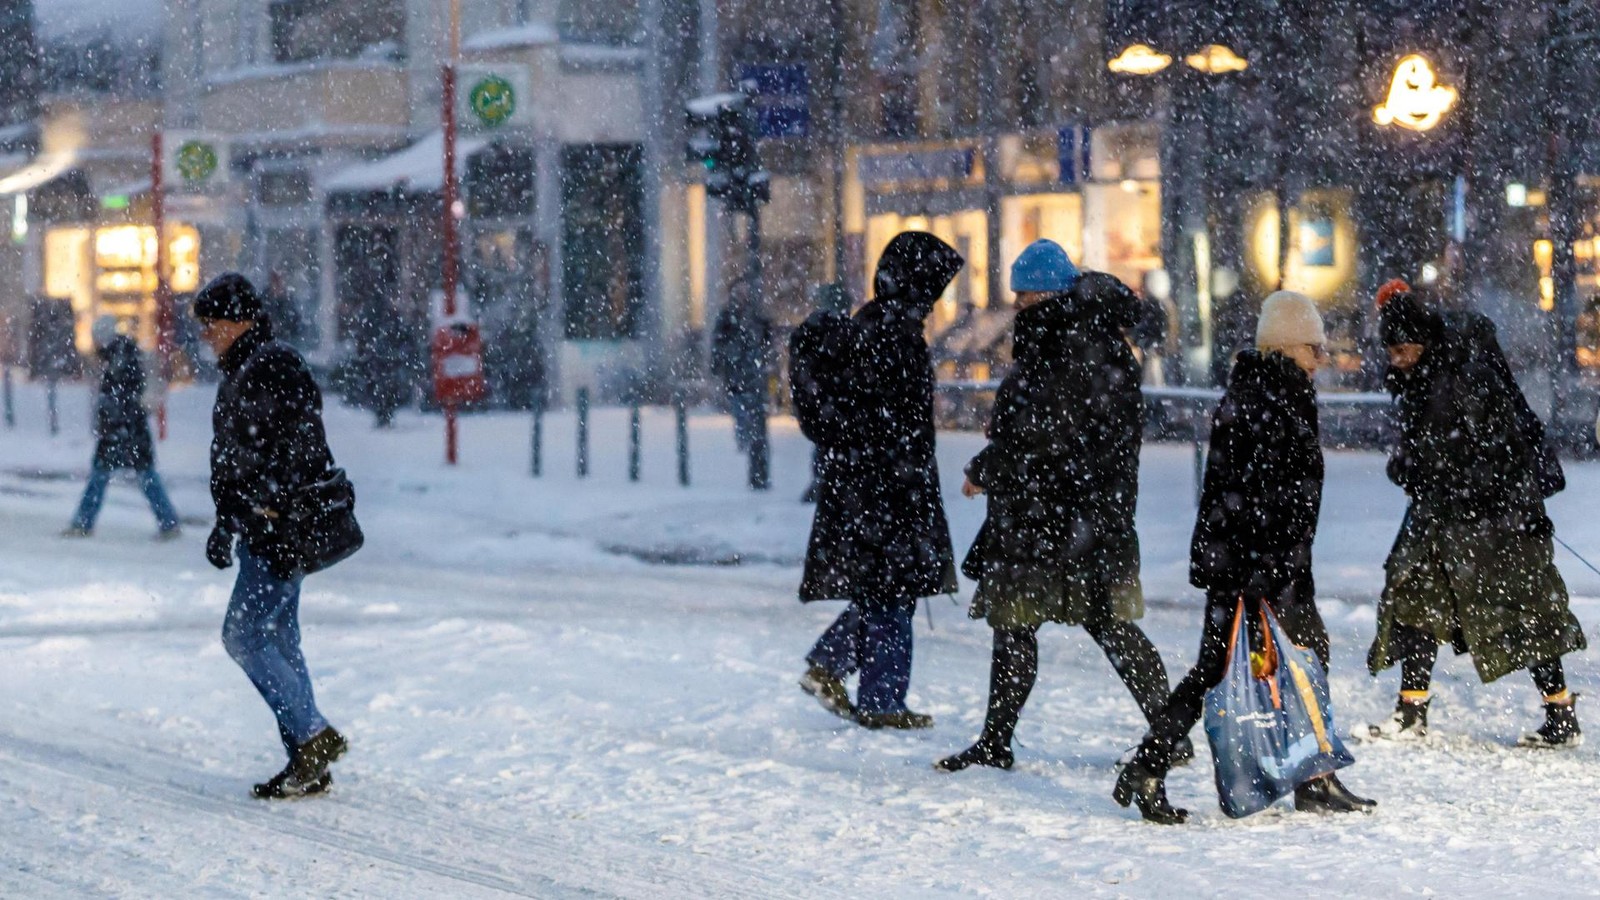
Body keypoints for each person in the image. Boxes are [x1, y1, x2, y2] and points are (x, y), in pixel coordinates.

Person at [1114, 291, 1375, 824]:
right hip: (1261, 569)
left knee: (1235, 666)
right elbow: (1258, 494)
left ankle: (1152, 766)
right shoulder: (1272, 397)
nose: (1322, 357)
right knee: (1286, 659)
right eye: (1314, 347)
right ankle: (1311, 778)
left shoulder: (1264, 390)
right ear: (1287, 347)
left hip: (1259, 564)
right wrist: (1263, 572)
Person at [936, 241, 1176, 773]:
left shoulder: (1063, 343)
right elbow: (1053, 430)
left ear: (1045, 294)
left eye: (1023, 297)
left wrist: (987, 467)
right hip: (1087, 513)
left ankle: (998, 743)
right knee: (1096, 624)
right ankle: (1167, 731)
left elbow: (1041, 435)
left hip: (1051, 516)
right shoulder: (1097, 340)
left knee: (1023, 624)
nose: (1017, 307)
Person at [1366, 280, 1586, 746]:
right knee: (1414, 595)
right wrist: (1411, 467)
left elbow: (1498, 450)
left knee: (1527, 611)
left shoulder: (1465, 378)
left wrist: (1453, 480)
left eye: (1402, 350)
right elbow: (1428, 452)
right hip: (1445, 517)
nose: (1395, 360)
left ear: (1422, 343)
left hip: (1499, 520)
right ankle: (1411, 710)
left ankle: (1561, 714)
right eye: (1391, 352)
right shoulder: (1420, 381)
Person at [798, 232, 963, 730]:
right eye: (935, 286)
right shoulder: (894, 334)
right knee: (892, 592)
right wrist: (904, 475)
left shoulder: (872, 325)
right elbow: (893, 421)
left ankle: (837, 667)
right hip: (887, 486)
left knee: (885, 590)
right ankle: (880, 698)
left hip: (867, 485)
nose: (937, 299)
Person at [194, 273, 349, 798]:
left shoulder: (272, 365)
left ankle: (312, 735)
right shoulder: (247, 366)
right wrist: (226, 521)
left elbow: (298, 443)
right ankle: (308, 763)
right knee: (280, 638)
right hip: (262, 525)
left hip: (279, 526)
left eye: (212, 324)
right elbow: (238, 456)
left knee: (242, 635)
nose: (207, 334)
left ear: (240, 321)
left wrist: (270, 505)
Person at [63, 317, 180, 539]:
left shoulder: (118, 359)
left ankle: (83, 523)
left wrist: (110, 421)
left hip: (122, 431)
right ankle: (168, 521)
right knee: (143, 476)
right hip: (130, 430)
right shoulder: (123, 354)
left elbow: (119, 398)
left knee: (104, 476)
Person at [711, 277, 774, 452]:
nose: (742, 295)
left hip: (752, 372)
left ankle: (754, 441)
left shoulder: (755, 315)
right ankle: (745, 440)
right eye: (738, 291)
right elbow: (718, 341)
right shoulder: (727, 316)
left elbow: (767, 339)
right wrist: (717, 363)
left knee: (753, 408)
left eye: (744, 291)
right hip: (735, 371)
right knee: (739, 408)